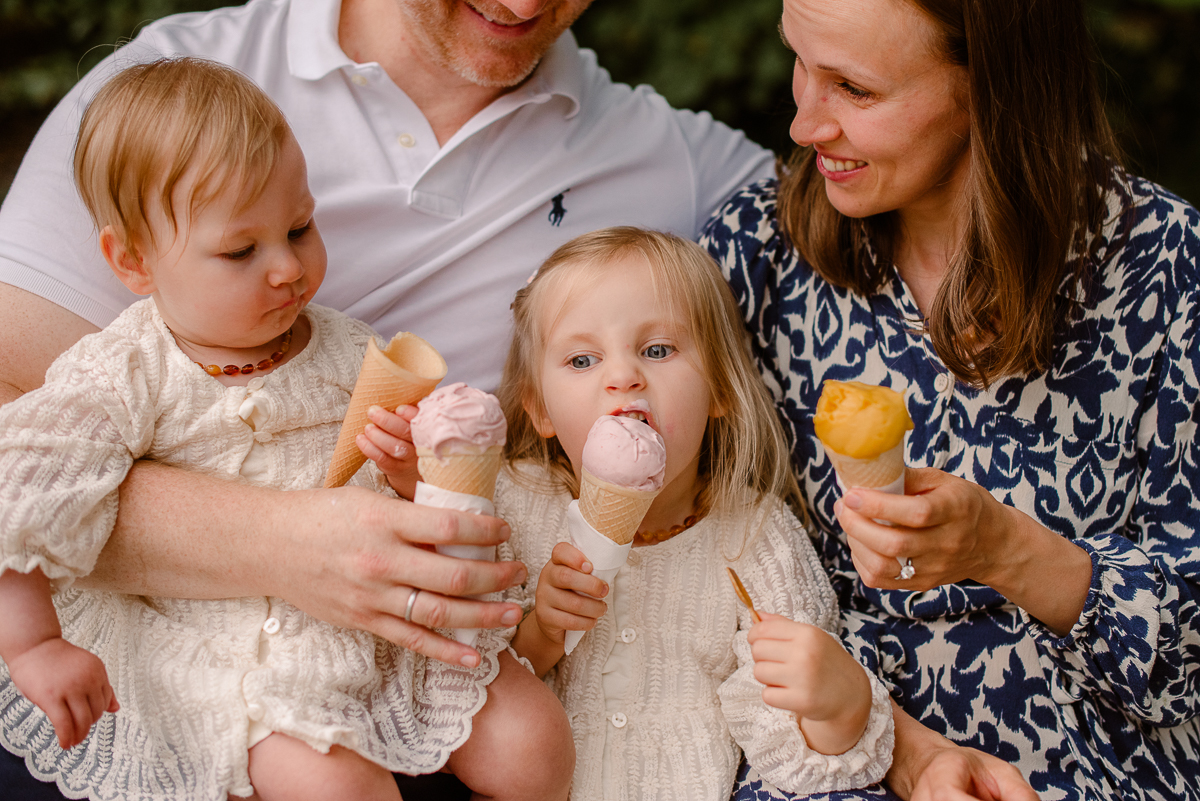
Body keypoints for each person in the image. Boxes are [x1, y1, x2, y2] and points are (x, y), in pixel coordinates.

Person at [0, 57, 572, 801]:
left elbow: (394, 500)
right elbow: (20, 497)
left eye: (300, 227)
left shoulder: (343, 347)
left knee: (536, 744)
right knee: (339, 787)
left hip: (372, 627)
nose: (287, 269)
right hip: (226, 648)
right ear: (132, 260)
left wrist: (410, 473)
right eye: (242, 251)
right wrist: (35, 644)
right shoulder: (122, 373)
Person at [702, 0, 1200, 799]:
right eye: (799, 60)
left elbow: (1190, 642)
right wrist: (898, 744)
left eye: (853, 90)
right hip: (833, 764)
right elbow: (687, 565)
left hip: (1099, 769)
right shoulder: (755, 255)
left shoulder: (1166, 269)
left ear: (991, 86)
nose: (802, 125)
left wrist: (1004, 549)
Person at [490, 227, 895, 799]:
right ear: (539, 409)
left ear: (721, 389)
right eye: (582, 359)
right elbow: (459, 685)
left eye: (657, 350)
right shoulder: (513, 506)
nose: (623, 376)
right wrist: (542, 633)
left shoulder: (755, 537)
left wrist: (840, 708)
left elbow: (793, 761)